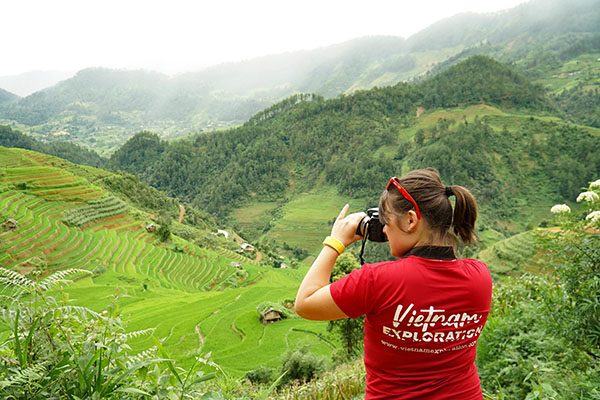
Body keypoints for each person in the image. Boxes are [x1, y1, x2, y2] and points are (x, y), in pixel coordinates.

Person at [295, 168, 492, 399]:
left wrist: (336, 241)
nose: (385, 231)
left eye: (386, 222)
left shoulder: (377, 280)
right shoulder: (480, 277)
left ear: (410, 220)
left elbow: (305, 303)